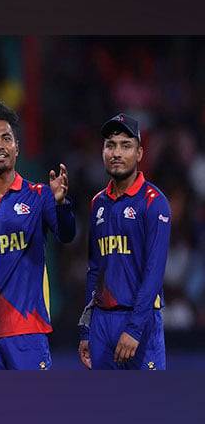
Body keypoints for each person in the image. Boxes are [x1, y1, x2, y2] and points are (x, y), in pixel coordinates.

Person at [0, 101, 75, 370]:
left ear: (17, 148)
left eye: (6, 138)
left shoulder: (40, 196)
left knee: (33, 413)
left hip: (28, 333)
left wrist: (62, 205)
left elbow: (67, 234)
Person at [78, 113, 170, 370]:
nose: (116, 152)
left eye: (125, 145)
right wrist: (86, 329)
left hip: (139, 320)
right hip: (101, 324)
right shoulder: (98, 203)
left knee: (149, 408)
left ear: (140, 153)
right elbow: (94, 270)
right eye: (110, 145)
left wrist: (134, 328)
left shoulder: (154, 201)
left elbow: (154, 272)